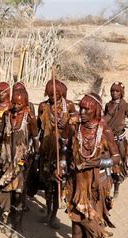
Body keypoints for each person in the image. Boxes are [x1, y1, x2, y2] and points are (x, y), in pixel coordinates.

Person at [60, 93, 120, 238]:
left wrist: (98, 162)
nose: (82, 112)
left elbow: (117, 157)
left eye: (87, 109)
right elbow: (65, 149)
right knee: (77, 228)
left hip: (97, 187)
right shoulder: (75, 127)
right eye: (81, 108)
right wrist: (61, 165)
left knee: (92, 227)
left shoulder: (104, 130)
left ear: (96, 110)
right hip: (77, 185)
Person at [0, 89, 39, 238]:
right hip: (5, 159)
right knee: (7, 192)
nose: (15, 106)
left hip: (21, 161)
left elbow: (36, 138)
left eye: (19, 103)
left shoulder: (30, 118)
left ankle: (18, 226)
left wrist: (36, 157)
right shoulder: (6, 116)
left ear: (25, 103)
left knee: (19, 193)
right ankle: (8, 220)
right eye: (14, 102)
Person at [37, 79, 77, 229]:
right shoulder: (43, 106)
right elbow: (38, 128)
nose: (53, 97)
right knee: (47, 185)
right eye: (50, 94)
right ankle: (48, 212)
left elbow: (76, 124)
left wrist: (66, 125)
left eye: (56, 94)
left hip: (63, 151)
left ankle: (53, 216)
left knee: (57, 183)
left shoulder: (69, 106)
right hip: (47, 151)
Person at [103, 82, 128, 197]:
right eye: (112, 91)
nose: (114, 93)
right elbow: (104, 119)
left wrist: (126, 125)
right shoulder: (108, 105)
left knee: (120, 161)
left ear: (121, 93)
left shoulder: (124, 105)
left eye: (117, 91)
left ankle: (117, 187)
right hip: (108, 137)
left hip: (119, 139)